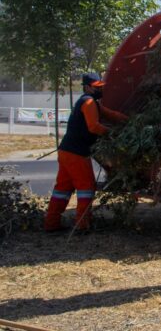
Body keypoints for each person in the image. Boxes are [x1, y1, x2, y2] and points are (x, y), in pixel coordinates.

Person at [44, 73, 128, 232]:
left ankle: (51, 223)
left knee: (62, 188)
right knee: (86, 187)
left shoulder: (90, 102)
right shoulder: (88, 102)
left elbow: (110, 114)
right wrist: (114, 134)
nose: (100, 89)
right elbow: (94, 127)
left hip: (66, 151)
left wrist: (128, 120)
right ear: (87, 87)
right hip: (77, 153)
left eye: (101, 86)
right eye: (97, 87)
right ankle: (83, 225)